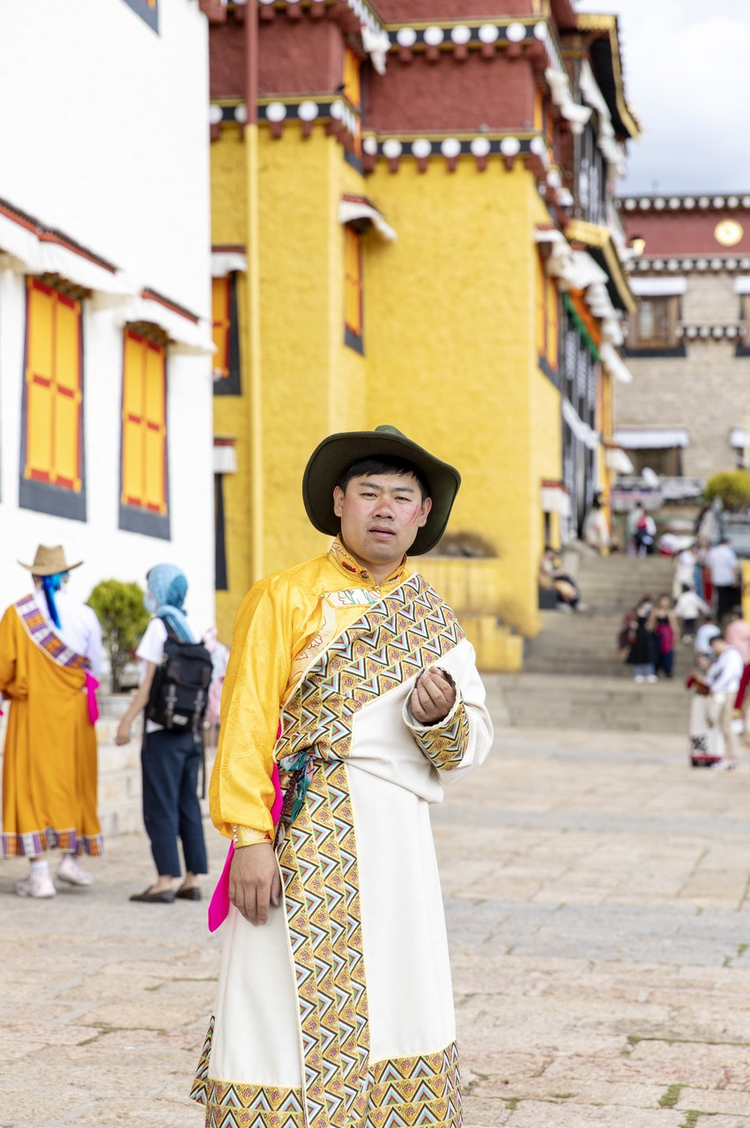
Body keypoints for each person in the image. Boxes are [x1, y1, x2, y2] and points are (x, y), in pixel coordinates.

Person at [190, 425, 493, 1127]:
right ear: (338, 501)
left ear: (422, 515)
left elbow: (470, 744)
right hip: (301, 831)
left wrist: (440, 718)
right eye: (369, 494)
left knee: (398, 993)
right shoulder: (285, 597)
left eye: (401, 497)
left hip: (396, 838)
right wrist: (249, 838)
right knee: (276, 1000)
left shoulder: (436, 621)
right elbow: (245, 724)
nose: (384, 509)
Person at [0, 544, 103, 898]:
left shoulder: (16, 615)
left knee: (31, 785)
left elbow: (3, 669)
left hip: (33, 716)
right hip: (75, 717)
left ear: (34, 575)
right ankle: (71, 861)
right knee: (75, 783)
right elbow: (96, 667)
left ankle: (40, 873)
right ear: (66, 577)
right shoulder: (86, 615)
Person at [116, 565, 208, 903]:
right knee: (187, 804)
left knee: (160, 805)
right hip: (191, 733)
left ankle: (164, 880)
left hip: (161, 732)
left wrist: (126, 721)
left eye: (150, 588)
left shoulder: (159, 627)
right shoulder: (192, 627)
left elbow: (146, 686)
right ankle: (191, 878)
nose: (148, 595)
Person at [705, 634, 744, 770]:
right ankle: (726, 757)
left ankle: (733, 758)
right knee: (723, 726)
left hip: (729, 693)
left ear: (718, 642)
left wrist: (714, 688)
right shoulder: (723, 656)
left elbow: (728, 675)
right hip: (723, 692)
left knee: (727, 726)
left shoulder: (732, 655)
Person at [685, 653, 723, 768]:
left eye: (704, 660)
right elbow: (688, 685)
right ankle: (698, 754)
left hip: (710, 700)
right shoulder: (697, 671)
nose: (702, 662)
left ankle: (712, 754)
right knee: (697, 728)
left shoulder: (714, 671)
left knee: (711, 728)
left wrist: (702, 680)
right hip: (699, 700)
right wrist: (693, 677)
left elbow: (713, 686)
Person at [706, 536, 741, 621]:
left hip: (717, 578)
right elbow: (733, 566)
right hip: (728, 579)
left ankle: (720, 615)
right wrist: (735, 579)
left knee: (719, 598)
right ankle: (726, 614)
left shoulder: (713, 552)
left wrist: (710, 577)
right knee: (728, 598)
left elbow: (708, 566)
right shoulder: (729, 552)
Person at [539, 546, 580, 611]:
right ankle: (572, 602)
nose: (554, 555)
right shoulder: (544, 561)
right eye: (552, 553)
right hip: (549, 582)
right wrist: (558, 573)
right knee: (567, 584)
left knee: (569, 581)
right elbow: (549, 573)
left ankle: (574, 602)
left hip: (552, 580)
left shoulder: (549, 561)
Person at [626, 595, 656, 682]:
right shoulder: (635, 611)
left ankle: (649, 673)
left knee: (649, 654)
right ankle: (637, 673)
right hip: (638, 636)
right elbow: (630, 621)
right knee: (637, 654)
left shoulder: (651, 613)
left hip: (647, 637)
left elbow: (653, 625)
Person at [648, 594, 679, 679]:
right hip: (658, 635)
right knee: (656, 653)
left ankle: (668, 671)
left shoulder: (670, 613)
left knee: (668, 653)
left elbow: (674, 626)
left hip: (667, 636)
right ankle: (655, 671)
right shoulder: (655, 612)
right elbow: (652, 624)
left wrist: (675, 636)